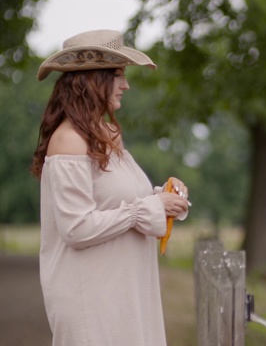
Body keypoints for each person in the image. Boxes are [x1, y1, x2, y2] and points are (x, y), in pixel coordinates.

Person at [30, 29, 190, 346]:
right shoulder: (68, 140)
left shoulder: (107, 135)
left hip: (124, 292)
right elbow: (76, 227)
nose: (126, 85)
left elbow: (117, 201)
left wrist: (162, 198)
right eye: (118, 75)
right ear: (92, 79)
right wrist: (147, 209)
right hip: (92, 298)